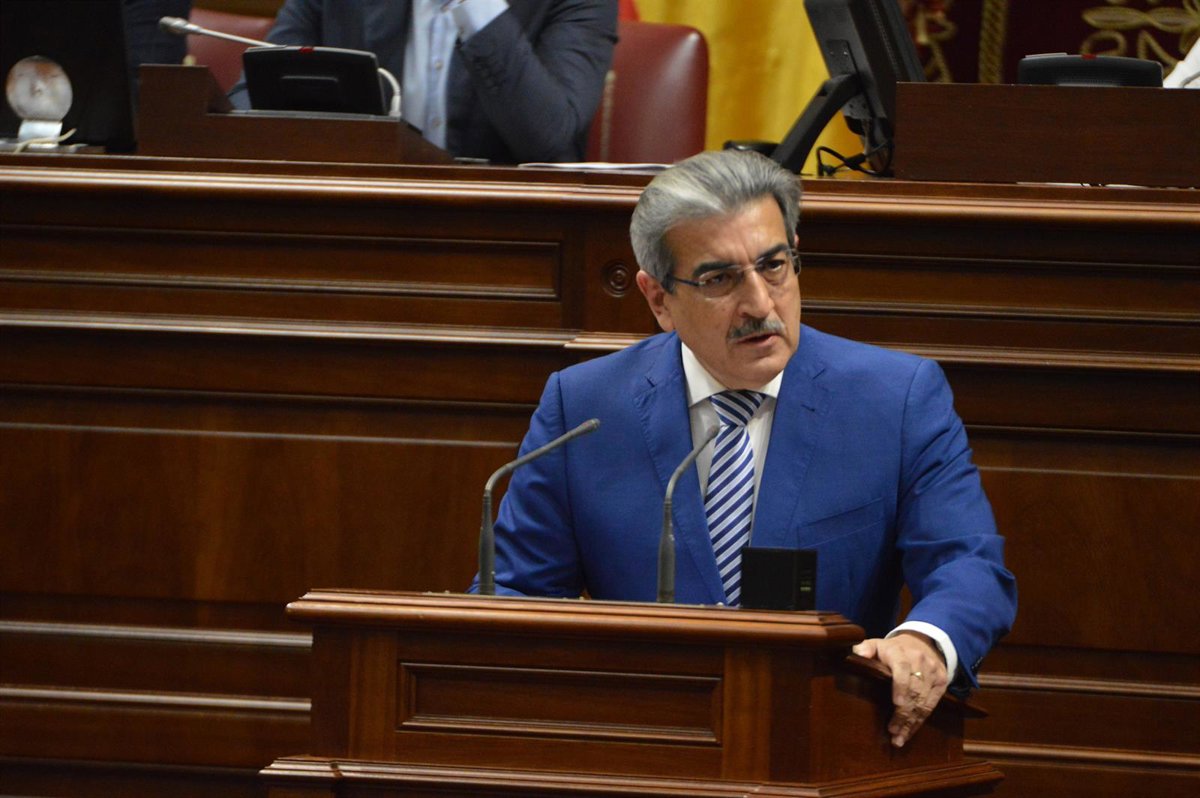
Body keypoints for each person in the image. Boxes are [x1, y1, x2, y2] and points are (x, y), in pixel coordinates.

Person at [480, 149, 1017, 748]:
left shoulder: (896, 400)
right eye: (719, 279)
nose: (760, 304)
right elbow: (516, 592)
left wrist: (924, 641)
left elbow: (967, 565)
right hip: (644, 749)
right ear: (658, 299)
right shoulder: (584, 408)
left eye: (773, 265)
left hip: (827, 747)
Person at [228, 0, 617, 163]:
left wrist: (475, 7)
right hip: (360, 227)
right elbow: (252, 99)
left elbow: (549, 138)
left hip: (512, 243)